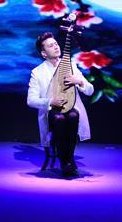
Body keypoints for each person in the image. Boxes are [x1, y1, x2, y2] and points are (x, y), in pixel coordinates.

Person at [27, 32, 94, 176]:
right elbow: (31, 100)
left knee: (73, 115)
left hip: (70, 108)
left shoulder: (71, 66)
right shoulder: (37, 72)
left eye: (56, 44)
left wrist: (79, 81)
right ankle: (66, 161)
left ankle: (68, 159)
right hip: (51, 112)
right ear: (44, 53)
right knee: (59, 118)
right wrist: (50, 101)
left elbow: (90, 90)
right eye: (51, 46)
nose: (56, 47)